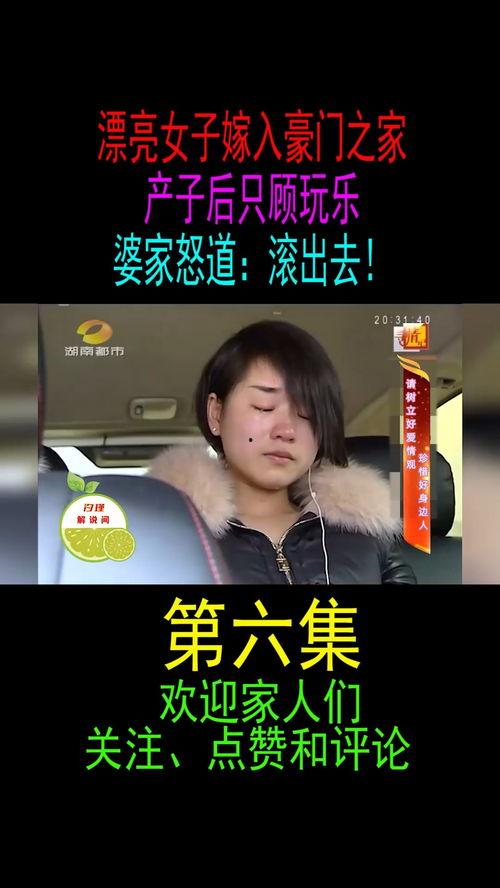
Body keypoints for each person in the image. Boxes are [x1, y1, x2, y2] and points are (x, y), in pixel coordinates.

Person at [149, 320, 417, 585]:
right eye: (264, 406)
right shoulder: (166, 540)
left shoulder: (369, 539)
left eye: (308, 413)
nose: (287, 430)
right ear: (216, 413)